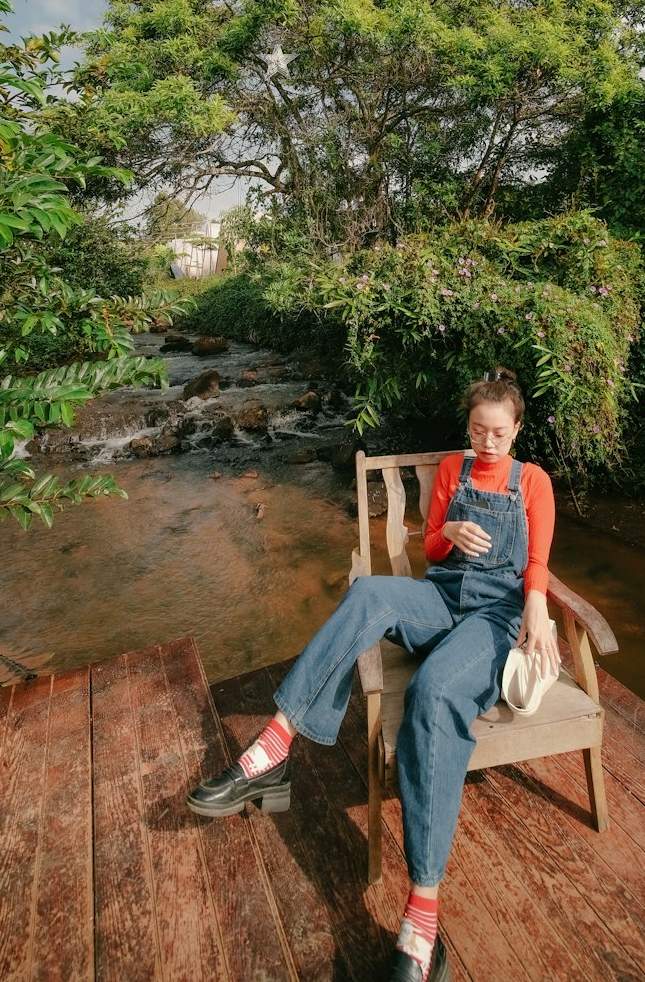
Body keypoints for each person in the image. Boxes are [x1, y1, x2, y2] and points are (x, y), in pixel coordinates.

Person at [187, 367, 558, 982]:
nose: (485, 443)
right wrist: (448, 534)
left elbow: (538, 559)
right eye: (476, 430)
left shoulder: (533, 483)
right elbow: (431, 551)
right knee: (367, 596)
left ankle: (422, 919)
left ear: (516, 430)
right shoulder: (453, 471)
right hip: (441, 599)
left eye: (496, 433)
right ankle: (274, 749)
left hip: (494, 617)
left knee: (435, 688)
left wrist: (537, 605)